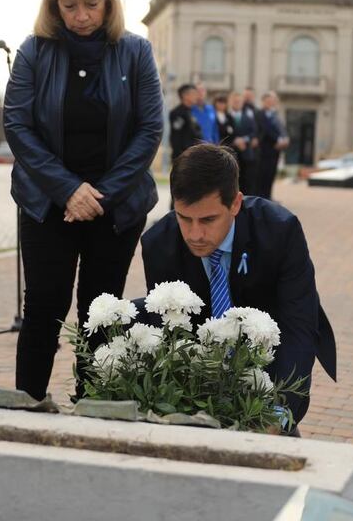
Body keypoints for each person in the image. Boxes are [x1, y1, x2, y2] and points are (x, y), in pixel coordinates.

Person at [3, 0, 163, 401]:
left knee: (102, 311)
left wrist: (100, 195)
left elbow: (150, 129)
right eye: (69, 6)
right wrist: (68, 190)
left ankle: (92, 407)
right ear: (53, 5)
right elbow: (17, 124)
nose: (81, 16)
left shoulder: (136, 51)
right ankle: (27, 407)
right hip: (47, 203)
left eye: (91, 5)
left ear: (108, 2)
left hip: (116, 207)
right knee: (43, 310)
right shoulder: (34, 51)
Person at [140, 144, 336, 430]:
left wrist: (278, 413)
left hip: (270, 359)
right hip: (200, 372)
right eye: (185, 218)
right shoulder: (159, 244)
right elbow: (172, 336)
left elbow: (298, 328)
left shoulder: (280, 231)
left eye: (208, 220)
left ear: (235, 204)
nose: (195, 234)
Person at [255, 91, 289, 200]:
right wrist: (278, 140)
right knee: (262, 175)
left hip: (275, 150)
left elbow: (281, 129)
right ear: (263, 101)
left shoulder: (275, 114)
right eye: (268, 101)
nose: (271, 103)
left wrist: (285, 138)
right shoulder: (259, 114)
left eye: (273, 101)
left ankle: (268, 197)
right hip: (265, 150)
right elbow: (266, 130)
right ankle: (262, 198)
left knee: (271, 174)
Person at [228, 90, 259, 195]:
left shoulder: (248, 118)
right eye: (235, 101)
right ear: (230, 102)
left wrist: (244, 140)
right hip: (231, 154)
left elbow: (254, 133)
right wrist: (235, 141)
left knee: (247, 182)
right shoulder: (226, 117)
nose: (237, 103)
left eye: (239, 101)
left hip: (246, 154)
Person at [170, 83, 203, 162]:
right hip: (184, 157)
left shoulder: (190, 112)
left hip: (192, 155)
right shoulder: (178, 113)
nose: (196, 96)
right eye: (194, 93)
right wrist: (181, 156)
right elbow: (176, 137)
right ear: (185, 96)